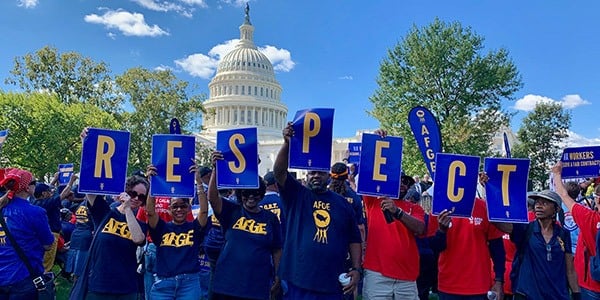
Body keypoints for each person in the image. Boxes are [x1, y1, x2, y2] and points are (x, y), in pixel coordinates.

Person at [273, 122, 362, 299]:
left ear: (328, 176)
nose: (316, 176)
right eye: (312, 173)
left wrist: (356, 268)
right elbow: (279, 172)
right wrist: (287, 144)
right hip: (298, 280)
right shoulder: (297, 195)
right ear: (306, 175)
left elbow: (354, 238)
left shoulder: (342, 203)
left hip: (331, 282)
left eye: (320, 173)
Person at [208, 151, 283, 300]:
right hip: (226, 285)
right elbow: (212, 197)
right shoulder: (232, 211)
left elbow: (277, 250)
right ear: (241, 195)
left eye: (255, 194)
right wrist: (216, 169)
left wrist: (278, 277)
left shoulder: (271, 218)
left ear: (261, 195)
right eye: (246, 194)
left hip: (256, 285)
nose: (250, 197)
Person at [145, 163, 209, 300]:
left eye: (183, 206)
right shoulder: (162, 228)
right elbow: (150, 212)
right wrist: (152, 184)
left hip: (189, 283)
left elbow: (204, 211)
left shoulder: (194, 227)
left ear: (188, 208)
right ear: (169, 209)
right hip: (163, 284)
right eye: (175, 207)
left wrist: (199, 182)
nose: (179, 210)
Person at [362, 163, 425, 300]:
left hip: (407, 276)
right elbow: (367, 174)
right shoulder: (374, 201)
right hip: (377, 273)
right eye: (400, 180)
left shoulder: (415, 208)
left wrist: (397, 212)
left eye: (406, 182)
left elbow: (419, 229)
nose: (403, 184)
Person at [430, 197, 506, 299]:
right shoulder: (438, 208)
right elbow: (434, 248)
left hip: (479, 286)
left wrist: (499, 281)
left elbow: (497, 249)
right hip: (448, 286)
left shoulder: (485, 207)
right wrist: (442, 231)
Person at [508, 190, 579, 299]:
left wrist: (576, 294)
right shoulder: (526, 229)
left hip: (557, 295)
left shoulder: (563, 234)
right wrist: (491, 191)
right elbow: (502, 225)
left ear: (556, 209)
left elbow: (570, 269)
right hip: (527, 295)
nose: (538, 206)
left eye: (544, 203)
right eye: (537, 203)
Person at [0, 168, 54, 299]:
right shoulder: (35, 212)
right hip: (24, 275)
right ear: (27, 188)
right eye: (34, 182)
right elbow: (48, 244)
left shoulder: (3, 208)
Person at [553, 162, 600, 299]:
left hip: (589, 282)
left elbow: (563, 194)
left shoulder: (588, 217)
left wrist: (556, 173)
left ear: (597, 199)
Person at [32, 173, 78, 273]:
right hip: (51, 235)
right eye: (49, 191)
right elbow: (63, 195)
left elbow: (48, 189)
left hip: (41, 235)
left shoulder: (35, 201)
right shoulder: (47, 203)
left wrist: (55, 179)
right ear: (44, 194)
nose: (51, 192)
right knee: (47, 263)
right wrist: (71, 181)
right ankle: (44, 284)